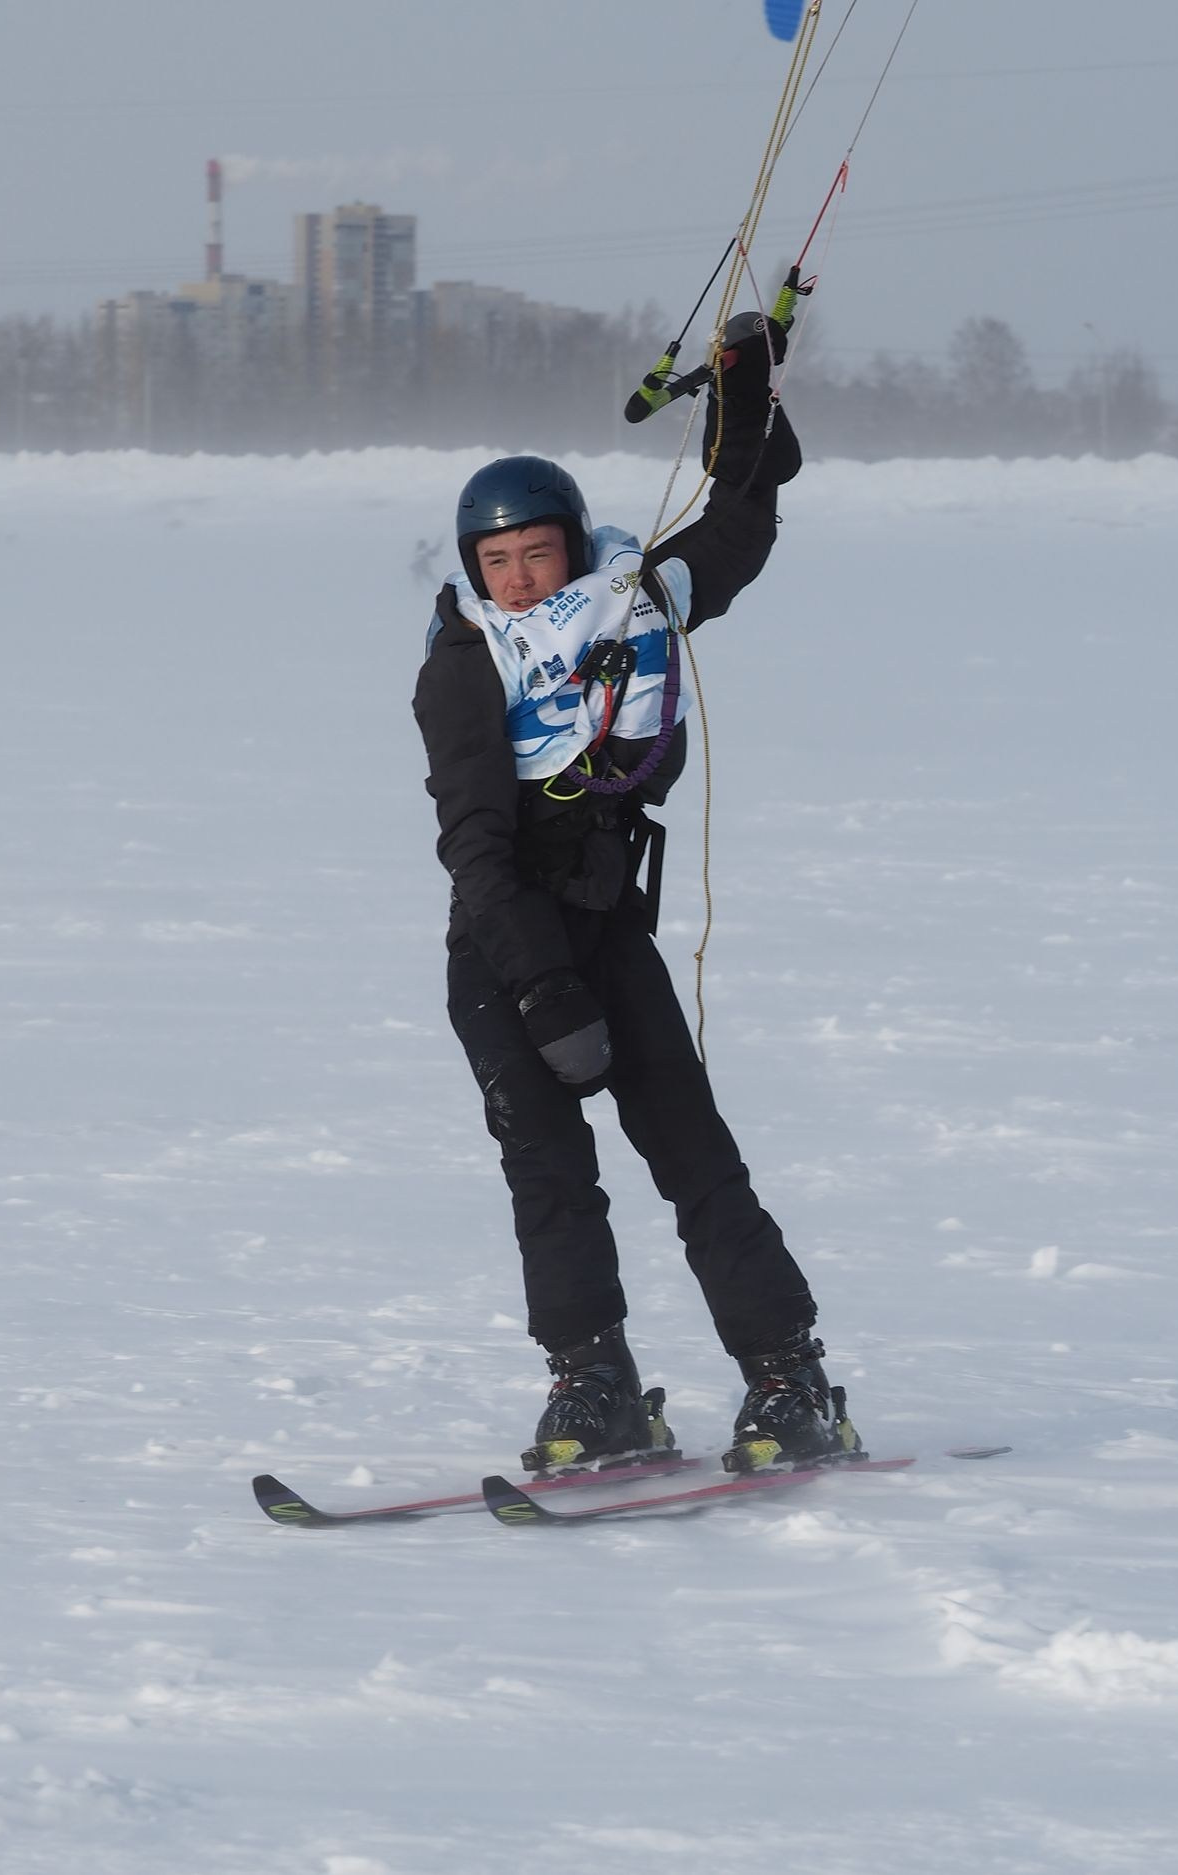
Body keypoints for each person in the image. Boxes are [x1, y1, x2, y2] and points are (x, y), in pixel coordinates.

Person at [410, 306, 855, 1478]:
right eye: (493, 563)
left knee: (693, 1153)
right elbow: (476, 849)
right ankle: (594, 1381)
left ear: (570, 545)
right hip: (508, 956)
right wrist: (547, 992)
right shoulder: (463, 668)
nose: (515, 580)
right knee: (550, 1176)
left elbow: (741, 527)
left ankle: (787, 1374)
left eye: (534, 554)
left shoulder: (630, 602)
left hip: (605, 927)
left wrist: (746, 405)